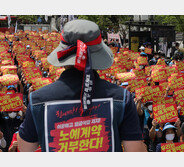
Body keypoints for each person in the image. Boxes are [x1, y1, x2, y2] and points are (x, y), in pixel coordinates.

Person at [18, 19, 146, 152]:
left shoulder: (38, 99)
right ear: (97, 55)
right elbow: (134, 150)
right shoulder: (122, 97)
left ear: (64, 56)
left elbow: (25, 148)